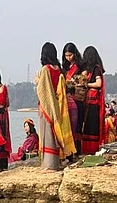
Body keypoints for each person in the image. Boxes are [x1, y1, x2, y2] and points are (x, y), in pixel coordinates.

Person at [36, 42, 77, 170]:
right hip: (57, 105)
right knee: (55, 133)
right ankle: (56, 161)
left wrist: (37, 81)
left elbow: (42, 89)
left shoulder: (46, 69)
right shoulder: (58, 69)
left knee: (47, 134)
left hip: (47, 105)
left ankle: (49, 164)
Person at [81, 46, 106, 154]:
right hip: (89, 101)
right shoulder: (90, 70)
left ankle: (92, 148)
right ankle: (87, 148)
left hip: (94, 102)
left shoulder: (96, 69)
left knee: (92, 126)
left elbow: (98, 83)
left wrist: (87, 84)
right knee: (88, 125)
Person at [62, 43, 85, 153]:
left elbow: (83, 80)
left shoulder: (80, 66)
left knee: (78, 124)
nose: (68, 58)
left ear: (74, 54)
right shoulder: (65, 68)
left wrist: (74, 81)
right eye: (66, 55)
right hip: (68, 98)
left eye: (70, 55)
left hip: (78, 98)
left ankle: (78, 149)